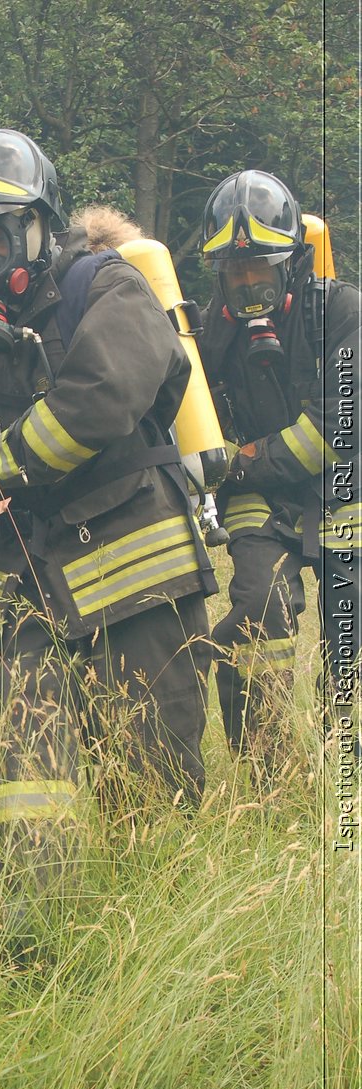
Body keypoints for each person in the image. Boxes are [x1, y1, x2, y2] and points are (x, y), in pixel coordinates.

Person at [0, 128, 217, 897]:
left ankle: (164, 939)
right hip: (36, 580)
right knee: (26, 778)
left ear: (35, 228)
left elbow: (98, 401)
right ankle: (29, 933)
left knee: (151, 773)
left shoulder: (110, 286)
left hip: (136, 574)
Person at [198, 170, 360, 774]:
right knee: (258, 609)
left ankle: (348, 763)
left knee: (353, 636)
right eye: (236, 274)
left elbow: (332, 433)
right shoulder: (211, 331)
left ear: (291, 262)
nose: (248, 285)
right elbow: (198, 419)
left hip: (346, 490)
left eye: (260, 269)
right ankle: (267, 773)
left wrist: (242, 460)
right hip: (259, 500)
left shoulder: (343, 311)